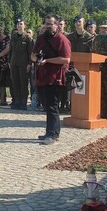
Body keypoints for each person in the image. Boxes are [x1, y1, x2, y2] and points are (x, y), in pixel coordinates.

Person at [31, 14, 71, 145]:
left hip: (55, 77)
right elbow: (32, 55)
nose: (48, 26)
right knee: (46, 106)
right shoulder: (41, 38)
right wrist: (36, 58)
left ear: (57, 25)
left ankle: (53, 135)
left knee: (52, 106)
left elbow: (66, 59)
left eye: (51, 24)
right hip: (42, 76)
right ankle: (50, 131)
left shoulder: (62, 39)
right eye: (46, 23)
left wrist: (47, 60)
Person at [8, 17, 33, 110]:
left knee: (23, 83)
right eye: (18, 24)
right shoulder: (13, 36)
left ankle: (23, 102)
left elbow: (30, 52)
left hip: (23, 63)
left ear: (24, 26)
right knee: (15, 82)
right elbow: (10, 50)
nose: (19, 26)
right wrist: (9, 61)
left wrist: (29, 64)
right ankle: (17, 101)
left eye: (21, 24)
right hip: (14, 62)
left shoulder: (27, 38)